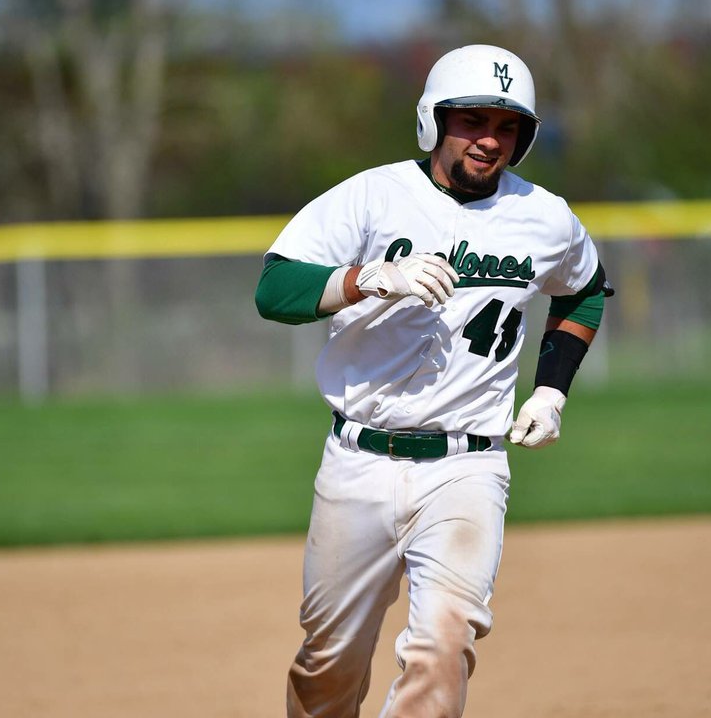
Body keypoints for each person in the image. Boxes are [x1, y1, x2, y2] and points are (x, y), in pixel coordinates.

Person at [255, 44, 612, 717]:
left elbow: (586, 290)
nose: (490, 140)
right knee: (329, 665)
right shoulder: (373, 195)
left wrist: (551, 388)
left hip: (467, 466)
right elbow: (274, 289)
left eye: (508, 127)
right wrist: (365, 279)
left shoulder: (544, 216)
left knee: (444, 648)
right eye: (473, 120)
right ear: (434, 120)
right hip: (359, 462)